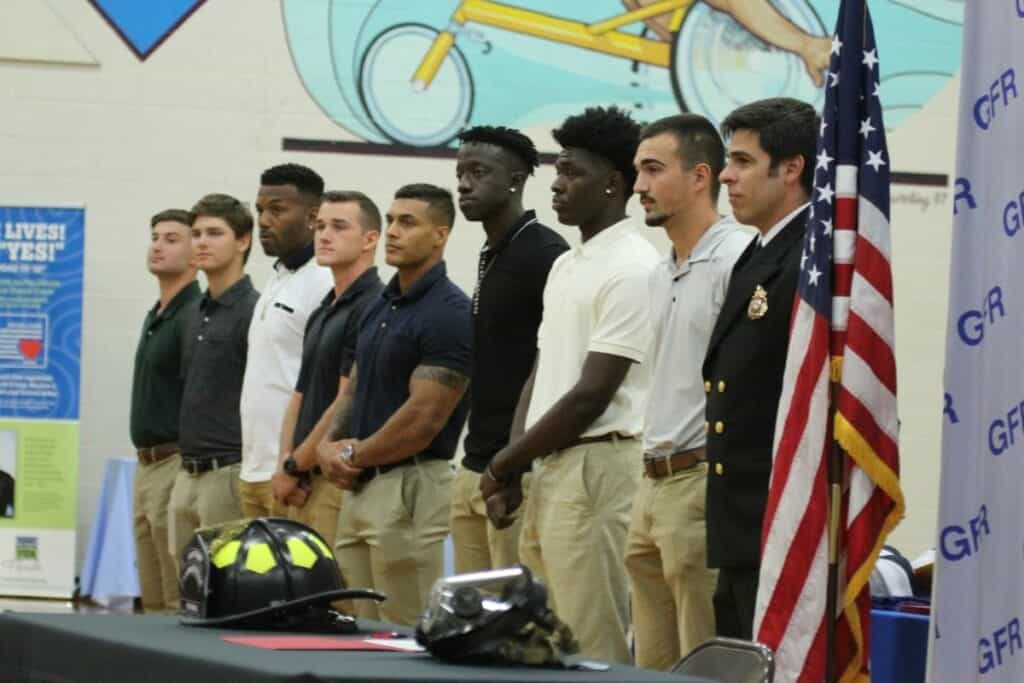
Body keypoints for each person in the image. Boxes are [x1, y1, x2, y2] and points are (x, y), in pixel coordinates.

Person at [479, 106, 660, 665]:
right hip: (548, 465)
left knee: (590, 644)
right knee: (542, 643)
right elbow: (542, 369)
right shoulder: (568, 263)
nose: (556, 183)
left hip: (597, 467)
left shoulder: (634, 264)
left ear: (613, 182)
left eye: (572, 171)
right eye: (557, 170)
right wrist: (512, 462)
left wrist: (504, 463)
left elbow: (590, 394)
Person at [625, 115, 752, 669]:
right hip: (651, 481)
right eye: (637, 171)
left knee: (706, 660)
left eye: (653, 170)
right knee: (651, 662)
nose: (638, 186)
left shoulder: (739, 258)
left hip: (701, 479)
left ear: (702, 177)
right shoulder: (659, 271)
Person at [317, 184, 471, 626]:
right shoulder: (382, 303)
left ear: (440, 235)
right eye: (390, 221)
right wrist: (329, 444)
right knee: (361, 628)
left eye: (408, 222)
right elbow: (354, 388)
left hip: (411, 484)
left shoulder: (450, 311)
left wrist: (352, 453)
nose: (393, 232)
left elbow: (424, 418)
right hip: (360, 483)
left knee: (407, 629)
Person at [703, 97, 817, 639]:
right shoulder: (761, 252)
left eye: (743, 161)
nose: (726, 175)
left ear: (791, 168)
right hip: (743, 516)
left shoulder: (811, 262)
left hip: (780, 516)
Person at [450, 125, 568, 574]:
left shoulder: (545, 254)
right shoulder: (494, 250)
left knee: (515, 627)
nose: (464, 183)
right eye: (461, 172)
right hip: (473, 464)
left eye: (478, 172)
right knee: (469, 623)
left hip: (515, 472)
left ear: (516, 180)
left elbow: (550, 367)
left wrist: (512, 464)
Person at [272, 191, 384, 546]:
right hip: (301, 477)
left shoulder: (371, 305)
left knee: (331, 596)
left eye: (338, 226)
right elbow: (299, 396)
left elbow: (342, 401)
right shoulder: (324, 309)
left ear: (370, 239)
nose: (324, 235)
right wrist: (285, 462)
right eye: (320, 226)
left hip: (330, 481)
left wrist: (296, 466)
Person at [168, 193, 259, 565]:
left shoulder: (255, 309)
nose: (201, 241)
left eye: (214, 233)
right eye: (197, 233)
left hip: (227, 471)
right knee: (183, 588)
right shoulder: (194, 312)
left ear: (242, 241)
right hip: (186, 470)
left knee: (223, 582)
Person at [239, 164, 332, 518]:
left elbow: (325, 387)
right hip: (253, 469)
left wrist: (295, 464)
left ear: (312, 217)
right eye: (260, 210)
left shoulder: (323, 281)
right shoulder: (276, 277)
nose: (263, 220)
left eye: (277, 210)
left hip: (292, 476)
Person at [129, 208, 200, 612]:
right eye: (155, 236)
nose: (157, 245)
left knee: (175, 593)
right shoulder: (156, 313)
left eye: (171, 239)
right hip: (144, 464)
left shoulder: (192, 314)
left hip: (175, 461)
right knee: (150, 590)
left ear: (196, 254)